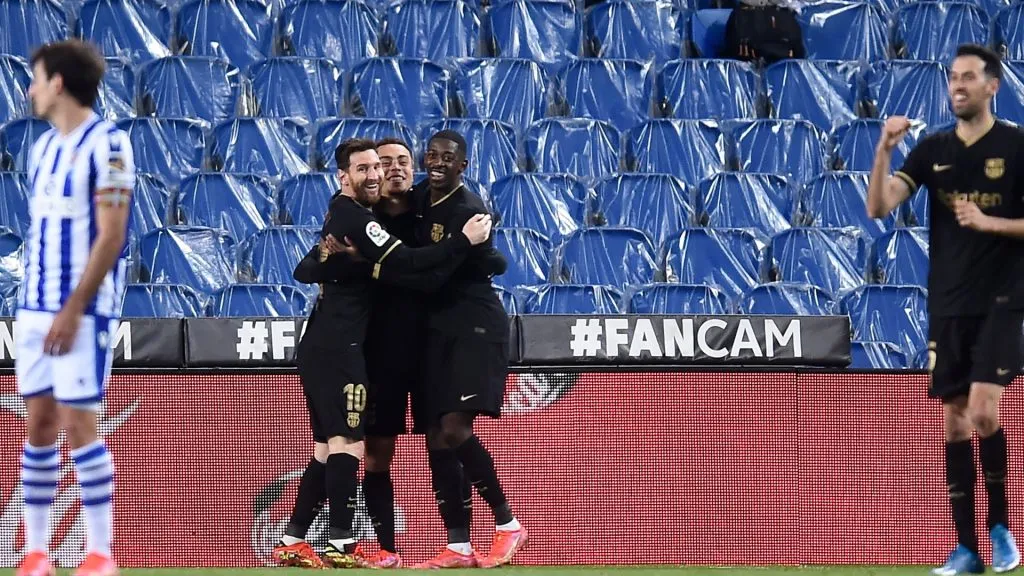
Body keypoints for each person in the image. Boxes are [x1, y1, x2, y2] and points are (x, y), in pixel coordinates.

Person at [270, 138, 493, 569]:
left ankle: (292, 538)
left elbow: (307, 268)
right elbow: (405, 262)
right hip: (342, 348)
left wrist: (345, 262)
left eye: (379, 167)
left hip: (331, 346)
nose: (375, 174)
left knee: (326, 450)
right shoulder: (354, 215)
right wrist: (463, 242)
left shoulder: (351, 214)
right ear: (344, 176)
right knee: (348, 445)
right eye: (365, 168)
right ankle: (342, 543)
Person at [867, 43, 1024, 575]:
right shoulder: (932, 148)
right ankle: (966, 550)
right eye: (952, 78)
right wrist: (885, 148)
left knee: (983, 410)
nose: (957, 86)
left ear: (992, 86)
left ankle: (1001, 529)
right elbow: (879, 206)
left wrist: (989, 223)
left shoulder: (1017, 147)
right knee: (955, 423)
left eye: (968, 78)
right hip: (948, 302)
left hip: (1004, 298)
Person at [15, 40, 134, 576]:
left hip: (80, 311)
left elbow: (111, 236)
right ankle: (35, 551)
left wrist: (73, 307)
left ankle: (100, 553)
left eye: (36, 78)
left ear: (57, 83)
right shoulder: (40, 149)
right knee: (38, 424)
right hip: (33, 308)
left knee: (80, 425)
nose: (30, 89)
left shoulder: (109, 145)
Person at [413, 131, 527, 569]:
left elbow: (435, 275)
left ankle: (507, 523)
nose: (437, 163)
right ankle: (458, 544)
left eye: (448, 158)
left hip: (474, 327)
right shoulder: (421, 197)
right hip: (436, 330)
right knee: (437, 437)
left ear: (463, 166)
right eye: (432, 155)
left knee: (456, 428)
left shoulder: (468, 210)